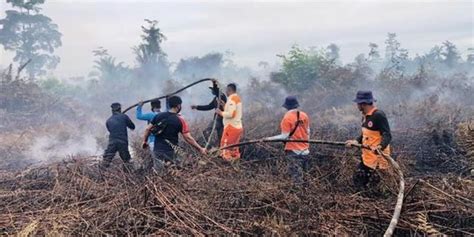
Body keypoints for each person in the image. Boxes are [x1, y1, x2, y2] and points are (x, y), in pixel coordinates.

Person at [142, 96, 206, 169]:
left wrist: (145, 141)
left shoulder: (158, 116)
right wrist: (200, 149)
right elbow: (188, 137)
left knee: (159, 175)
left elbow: (147, 129)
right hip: (171, 152)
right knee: (172, 173)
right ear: (178, 106)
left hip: (157, 151)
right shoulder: (180, 120)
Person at [345, 90, 392, 190]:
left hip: (377, 161)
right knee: (358, 181)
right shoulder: (365, 116)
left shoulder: (378, 115)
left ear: (363, 104)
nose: (357, 105)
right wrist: (356, 142)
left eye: (358, 103)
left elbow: (387, 135)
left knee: (373, 188)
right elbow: (365, 135)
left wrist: (380, 147)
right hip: (367, 158)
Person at [264, 96, 311, 184]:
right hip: (305, 151)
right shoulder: (304, 115)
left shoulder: (287, 118)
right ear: (297, 105)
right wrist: (305, 144)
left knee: (296, 177)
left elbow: (284, 136)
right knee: (306, 176)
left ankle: (298, 195)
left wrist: (268, 139)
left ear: (286, 107)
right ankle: (307, 194)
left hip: (293, 151)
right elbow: (308, 131)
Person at [191, 80, 227, 147]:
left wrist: (214, 83)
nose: (212, 91)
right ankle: (202, 145)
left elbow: (217, 90)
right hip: (218, 120)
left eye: (212, 90)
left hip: (222, 120)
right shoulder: (215, 99)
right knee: (218, 136)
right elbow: (208, 107)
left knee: (213, 132)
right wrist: (197, 107)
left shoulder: (222, 96)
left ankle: (201, 144)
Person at [101, 102, 135, 170]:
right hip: (122, 142)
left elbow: (110, 130)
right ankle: (128, 176)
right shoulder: (124, 117)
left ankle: (100, 174)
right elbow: (132, 127)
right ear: (119, 109)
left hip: (112, 142)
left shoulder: (108, 121)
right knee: (127, 161)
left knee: (106, 160)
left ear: (112, 110)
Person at [216, 83, 243, 161]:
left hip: (231, 127)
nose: (226, 92)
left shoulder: (232, 99)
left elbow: (231, 114)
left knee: (225, 146)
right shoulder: (236, 98)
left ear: (229, 90)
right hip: (237, 127)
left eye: (226, 90)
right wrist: (224, 105)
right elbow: (232, 111)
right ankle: (236, 161)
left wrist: (220, 112)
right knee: (234, 147)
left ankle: (226, 163)